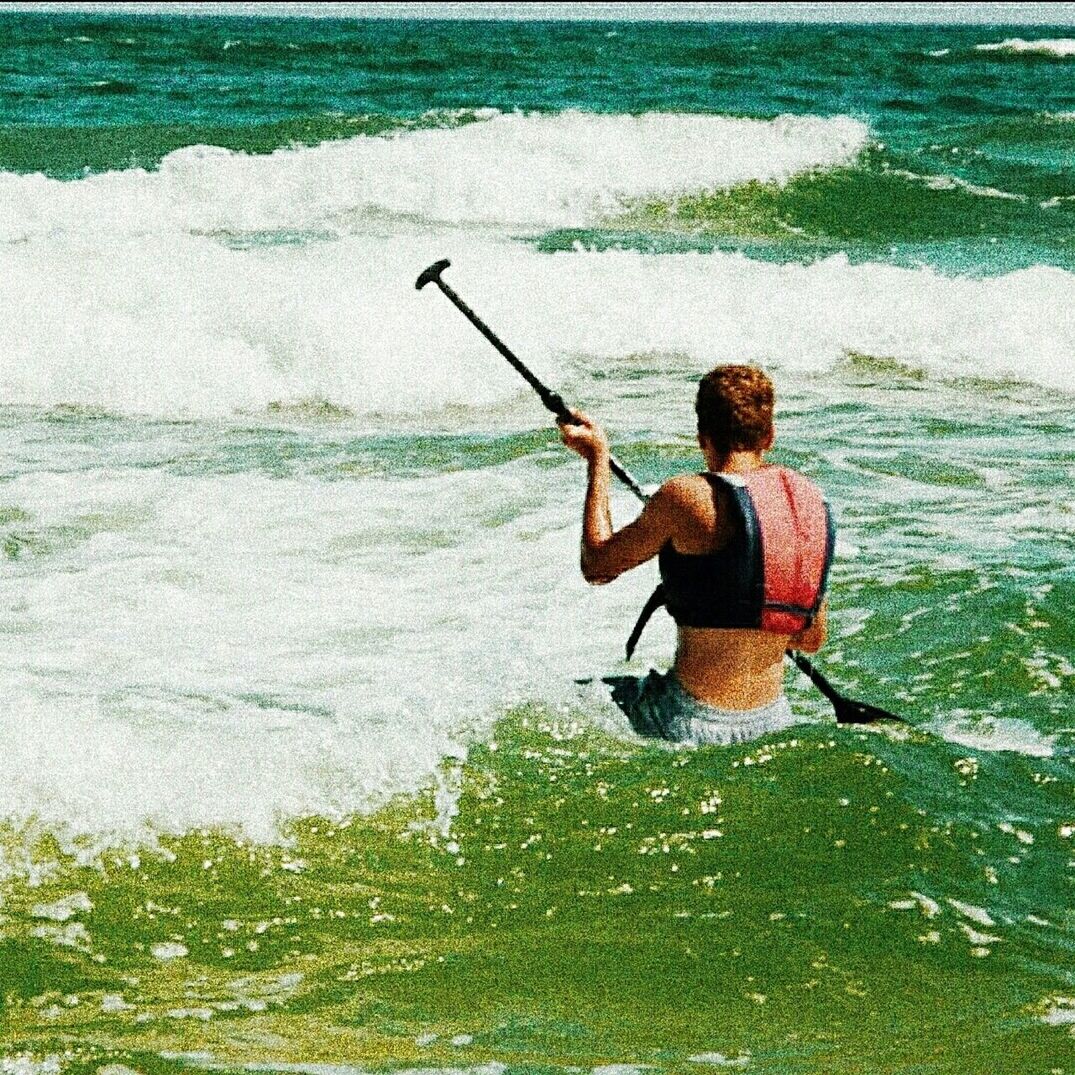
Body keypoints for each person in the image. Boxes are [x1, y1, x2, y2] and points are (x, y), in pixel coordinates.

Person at [559, 364, 834, 746]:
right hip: (774, 722)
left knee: (563, 700)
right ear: (769, 436)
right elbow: (810, 638)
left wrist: (597, 459)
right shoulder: (808, 504)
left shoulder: (686, 499)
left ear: (702, 436)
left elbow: (597, 565)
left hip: (683, 720)